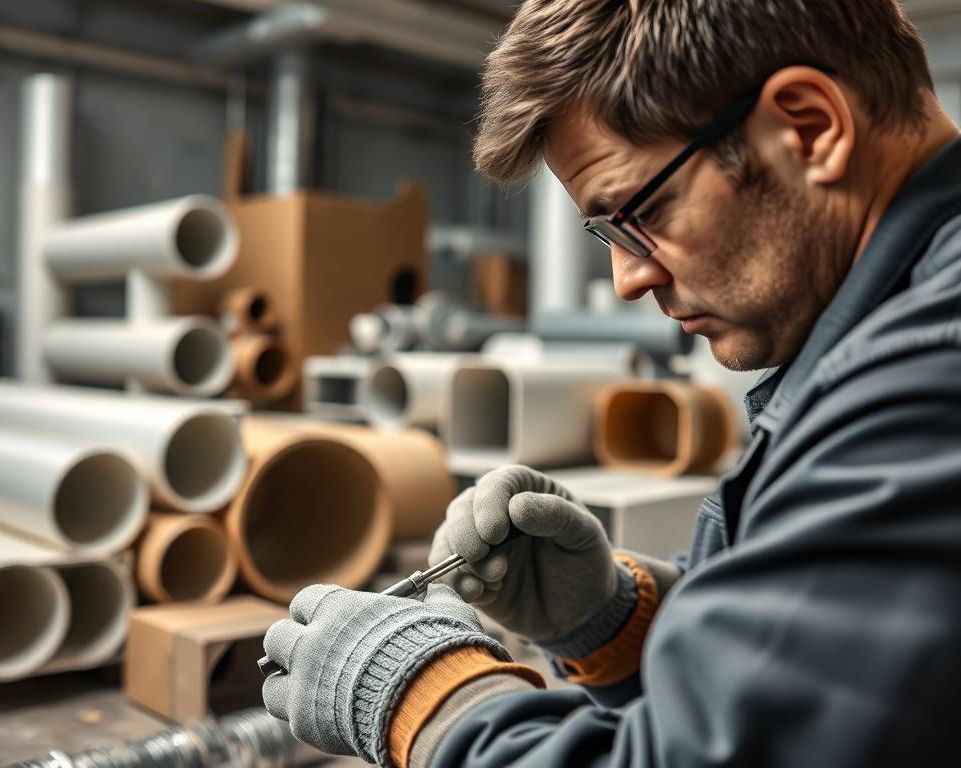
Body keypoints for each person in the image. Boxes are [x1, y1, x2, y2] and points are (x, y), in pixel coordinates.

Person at [259, 1, 961, 765]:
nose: (628, 279)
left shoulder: (928, 375)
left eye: (641, 211)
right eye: (609, 233)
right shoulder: (894, 325)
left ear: (809, 128)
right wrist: (622, 622)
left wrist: (421, 695)